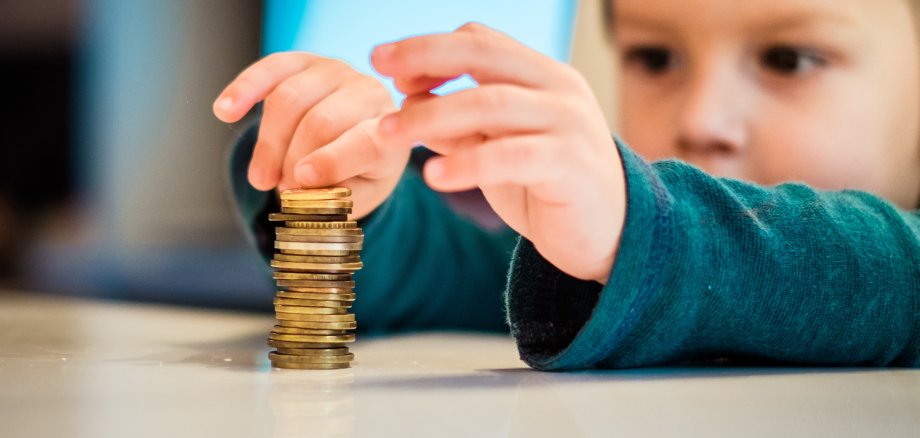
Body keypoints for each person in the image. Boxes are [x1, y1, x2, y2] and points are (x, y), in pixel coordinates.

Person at [213, 0, 920, 370]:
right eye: (654, 56)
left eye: (787, 58)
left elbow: (894, 273)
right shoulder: (588, 259)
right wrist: (342, 183)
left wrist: (646, 226)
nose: (703, 119)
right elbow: (438, 273)